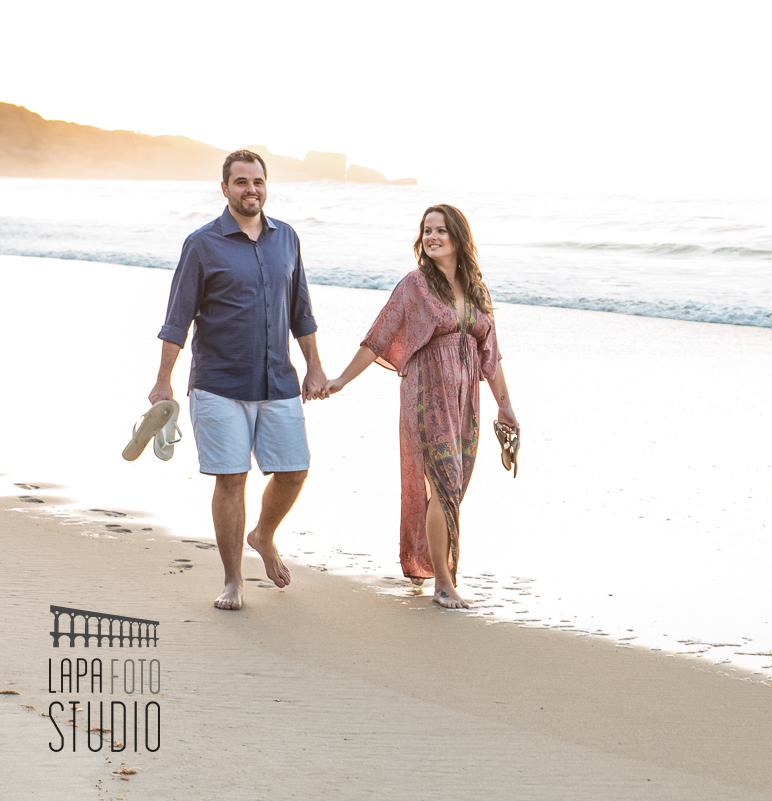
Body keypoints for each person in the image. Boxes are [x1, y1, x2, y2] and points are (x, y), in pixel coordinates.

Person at [150, 150, 328, 611]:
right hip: (219, 383)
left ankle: (263, 535)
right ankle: (233, 581)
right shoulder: (202, 244)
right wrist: (163, 381)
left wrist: (314, 366)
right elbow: (178, 318)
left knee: (294, 470)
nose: (252, 189)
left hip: (278, 380)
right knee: (231, 479)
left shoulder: (286, 238)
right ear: (225, 188)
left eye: (258, 181)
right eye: (242, 182)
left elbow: (301, 311)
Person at [324, 204, 518, 609]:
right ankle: (443, 584)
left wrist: (506, 407)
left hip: (466, 403)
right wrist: (341, 379)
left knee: (453, 489)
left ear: (458, 237)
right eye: (427, 230)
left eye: (441, 230)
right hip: (426, 396)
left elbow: (492, 356)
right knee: (445, 486)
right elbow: (377, 338)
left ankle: (427, 564)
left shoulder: (477, 290)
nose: (432, 237)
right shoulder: (415, 285)